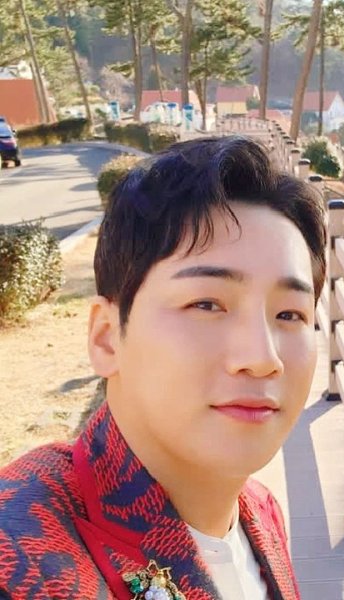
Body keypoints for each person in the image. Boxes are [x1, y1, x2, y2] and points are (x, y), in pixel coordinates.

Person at [0, 136, 326, 600]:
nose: (262, 358)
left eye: (290, 314)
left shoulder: (260, 512)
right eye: (207, 304)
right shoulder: (20, 555)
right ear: (107, 337)